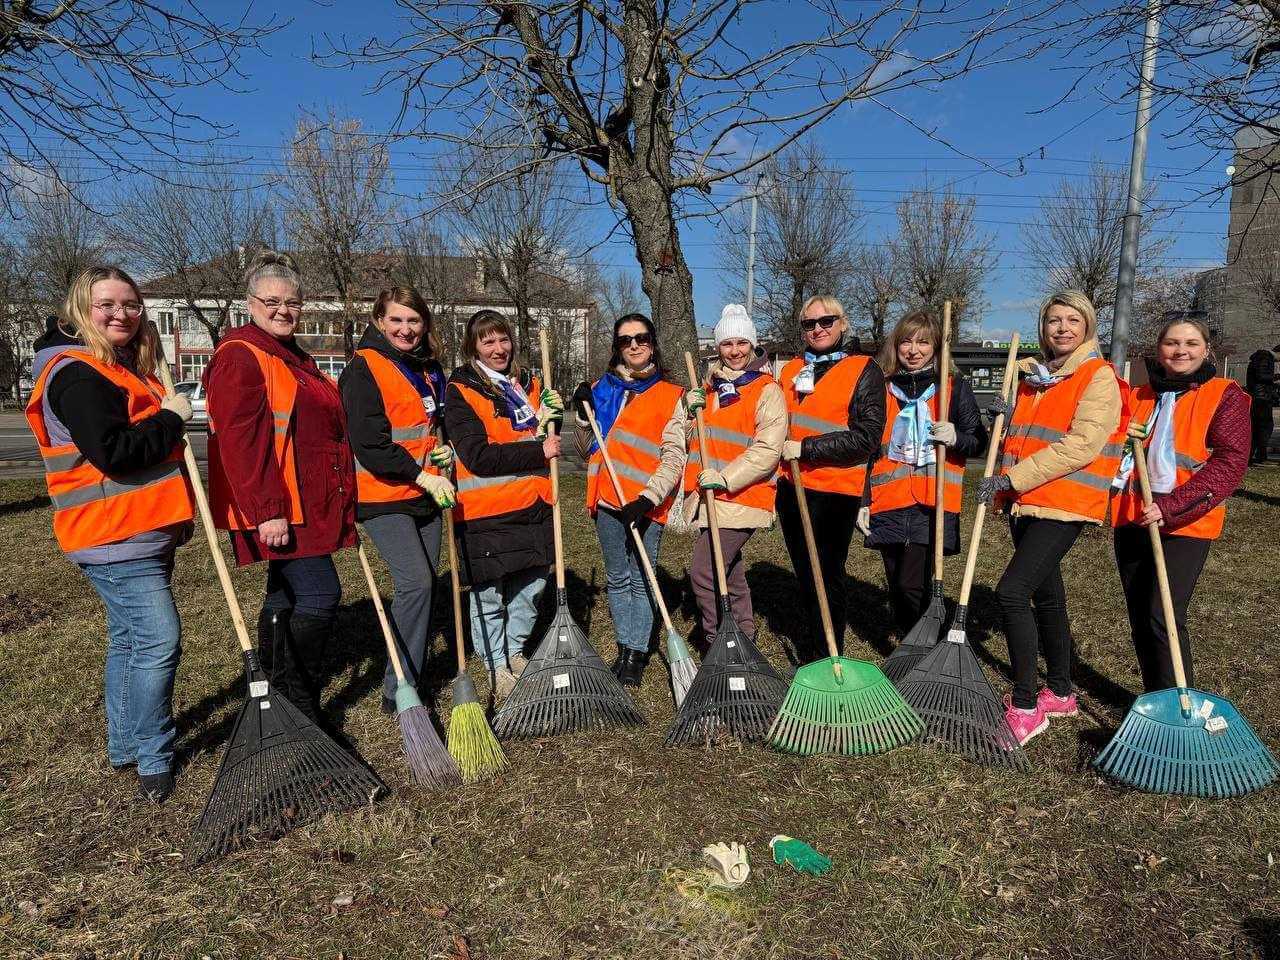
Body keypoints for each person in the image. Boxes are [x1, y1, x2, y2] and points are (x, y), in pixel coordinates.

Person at [26, 267, 195, 803]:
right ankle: (153, 753)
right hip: (111, 536)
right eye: (107, 305)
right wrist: (171, 418)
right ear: (81, 308)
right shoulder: (77, 374)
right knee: (157, 640)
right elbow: (116, 453)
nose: (121, 313)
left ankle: (125, 744)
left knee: (128, 639)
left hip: (139, 532)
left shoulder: (116, 366)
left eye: (131, 304)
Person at [203, 250, 357, 725]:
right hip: (280, 505)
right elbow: (241, 442)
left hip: (309, 500)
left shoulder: (293, 357)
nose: (282, 310)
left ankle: (270, 683)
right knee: (320, 595)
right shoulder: (241, 357)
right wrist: (267, 509)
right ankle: (298, 694)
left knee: (285, 593)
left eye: (291, 302)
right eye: (271, 301)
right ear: (249, 304)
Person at [980, 290, 1124, 746]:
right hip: (1026, 500)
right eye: (1053, 321)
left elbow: (1081, 444)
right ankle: (1061, 692)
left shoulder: (1096, 377)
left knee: (1010, 593)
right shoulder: (1035, 378)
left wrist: (1011, 478)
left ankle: (1025, 704)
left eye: (1072, 321)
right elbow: (1020, 436)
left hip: (1062, 502)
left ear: (1087, 327)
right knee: (1048, 598)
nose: (1061, 328)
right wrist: (1001, 419)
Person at [1111, 318, 1251, 693]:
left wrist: (1171, 506)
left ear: (1207, 350)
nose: (1180, 351)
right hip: (1132, 517)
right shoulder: (1138, 395)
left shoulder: (1225, 394)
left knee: (1164, 615)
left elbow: (1230, 463)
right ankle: (1155, 700)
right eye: (1172, 343)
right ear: (1159, 349)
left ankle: (1179, 704)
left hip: (1186, 521)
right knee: (1140, 615)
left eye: (1191, 343)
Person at [339, 287, 456, 715]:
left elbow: (432, 425)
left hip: (425, 493)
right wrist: (421, 473)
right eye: (397, 321)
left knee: (424, 587)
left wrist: (445, 453)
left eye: (414, 321)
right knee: (418, 584)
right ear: (379, 321)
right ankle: (398, 687)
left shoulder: (426, 368)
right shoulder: (363, 368)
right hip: (384, 494)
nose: (406, 330)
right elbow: (369, 443)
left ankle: (412, 676)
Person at [443, 310, 563, 699]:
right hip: (487, 512)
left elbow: (538, 431)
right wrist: (538, 450)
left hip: (533, 506)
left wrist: (550, 417)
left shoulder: (524, 385)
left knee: (531, 586)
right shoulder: (461, 390)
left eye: (503, 339)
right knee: (489, 594)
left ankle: (515, 651)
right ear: (473, 346)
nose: (499, 349)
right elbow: (477, 456)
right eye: (487, 342)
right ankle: (496, 663)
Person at [568, 314, 686, 686]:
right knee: (617, 577)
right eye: (625, 340)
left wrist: (647, 499)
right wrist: (583, 417)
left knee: (642, 577)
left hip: (646, 505)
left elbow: (674, 457)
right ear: (616, 347)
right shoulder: (601, 389)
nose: (634, 345)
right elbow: (588, 449)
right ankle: (624, 647)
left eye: (641, 338)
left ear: (652, 342)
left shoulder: (671, 395)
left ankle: (636, 652)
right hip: (606, 500)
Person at [858, 310, 987, 636]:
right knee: (896, 583)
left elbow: (978, 442)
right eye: (906, 341)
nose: (913, 350)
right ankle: (911, 644)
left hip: (932, 502)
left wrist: (957, 437)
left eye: (923, 342)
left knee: (910, 583)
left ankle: (923, 644)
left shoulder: (953, 389)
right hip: (888, 499)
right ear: (895, 345)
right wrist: (863, 500)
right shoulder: (881, 388)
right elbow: (868, 449)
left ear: (936, 348)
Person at [774, 295, 885, 655]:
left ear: (843, 323)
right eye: (809, 324)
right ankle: (814, 644)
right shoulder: (791, 370)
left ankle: (828, 652)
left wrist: (806, 449)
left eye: (826, 321)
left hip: (836, 492)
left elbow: (867, 437)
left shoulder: (863, 369)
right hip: (792, 489)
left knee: (827, 575)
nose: (818, 329)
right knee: (805, 573)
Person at [682, 304, 786, 648]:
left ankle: (718, 640)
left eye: (742, 342)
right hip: (711, 497)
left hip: (742, 496)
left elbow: (768, 449)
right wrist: (688, 411)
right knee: (730, 571)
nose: (735, 350)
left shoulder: (766, 389)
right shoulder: (710, 388)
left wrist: (725, 478)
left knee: (703, 571)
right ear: (718, 347)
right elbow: (695, 439)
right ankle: (744, 633)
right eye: (728, 343)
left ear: (753, 345)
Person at [1246, 346, 1276, 464]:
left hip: (1258, 397)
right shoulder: (1265, 357)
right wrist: (1275, 378)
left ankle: (1257, 455)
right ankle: (1260, 456)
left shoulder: (1260, 357)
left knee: (1257, 428)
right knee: (1264, 427)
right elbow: (1261, 376)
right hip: (1261, 398)